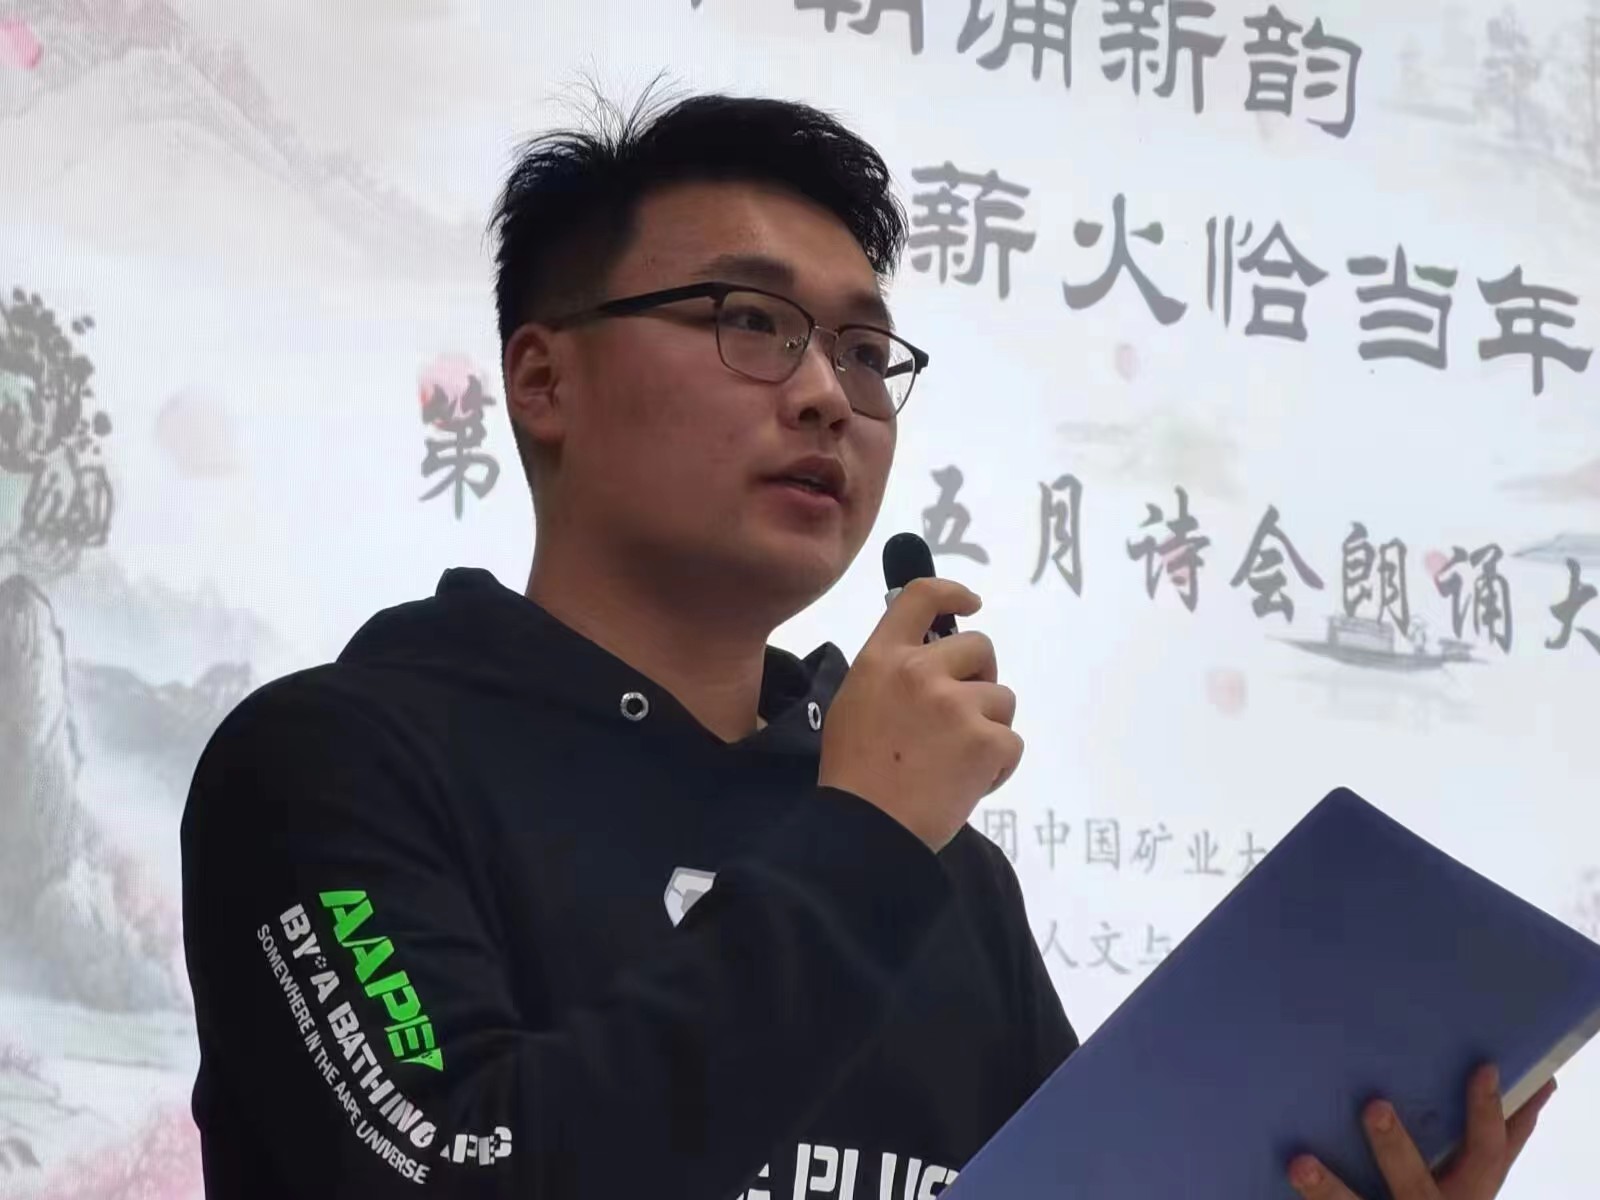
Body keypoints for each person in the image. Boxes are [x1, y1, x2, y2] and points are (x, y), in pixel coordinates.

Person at [180, 91, 1552, 1200]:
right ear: (545, 378)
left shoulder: (941, 876)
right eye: (753, 323)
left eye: (864, 353)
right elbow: (460, 1173)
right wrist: (866, 843)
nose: (829, 397)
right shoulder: (335, 765)